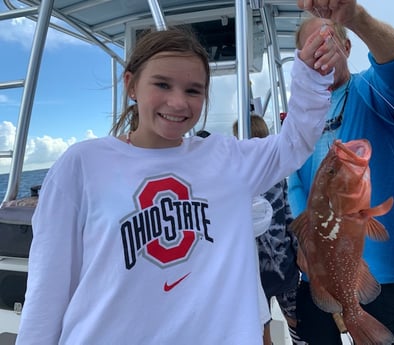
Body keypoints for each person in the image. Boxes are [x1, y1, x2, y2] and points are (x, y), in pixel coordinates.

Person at [16, 26, 336, 344]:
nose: (178, 102)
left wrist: (310, 75)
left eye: (193, 91)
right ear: (131, 84)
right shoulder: (81, 165)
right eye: (162, 84)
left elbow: (295, 142)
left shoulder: (228, 160)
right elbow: (48, 288)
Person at [288, 1, 394, 344]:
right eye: (308, 52)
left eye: (324, 43)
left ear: (346, 46)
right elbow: (295, 179)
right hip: (319, 278)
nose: (318, 56)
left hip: (386, 281)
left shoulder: (373, 91)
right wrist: (306, 241)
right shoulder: (300, 117)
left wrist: (355, 17)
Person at [233, 115, 305, 345]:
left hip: (266, 274)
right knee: (292, 327)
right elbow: (292, 223)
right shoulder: (275, 177)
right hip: (278, 270)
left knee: (265, 331)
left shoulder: (242, 181)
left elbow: (291, 221)